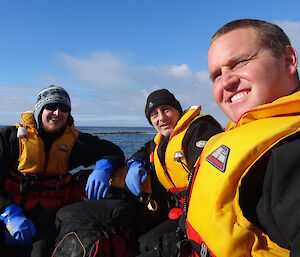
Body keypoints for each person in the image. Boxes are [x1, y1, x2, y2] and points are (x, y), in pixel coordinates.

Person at [185, 19, 300, 257]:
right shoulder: (241, 129)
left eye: (239, 63)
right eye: (216, 75)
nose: (226, 82)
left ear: (289, 60)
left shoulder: (290, 153)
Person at [0, 85, 125, 257]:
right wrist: (8, 213)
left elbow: (112, 151)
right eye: (51, 107)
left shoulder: (75, 142)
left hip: (47, 214)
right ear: (39, 110)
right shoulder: (11, 138)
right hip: (9, 210)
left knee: (39, 250)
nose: (58, 113)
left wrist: (103, 168)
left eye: (64, 108)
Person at [125, 89, 223, 257]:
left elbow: (210, 182)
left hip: (208, 219)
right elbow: (146, 149)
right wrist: (136, 162)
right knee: (142, 243)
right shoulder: (162, 141)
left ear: (178, 110)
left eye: (166, 109)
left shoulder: (199, 129)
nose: (161, 118)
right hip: (181, 214)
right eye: (154, 114)